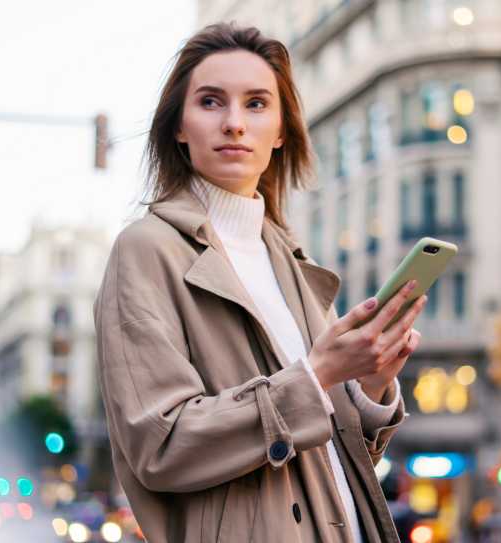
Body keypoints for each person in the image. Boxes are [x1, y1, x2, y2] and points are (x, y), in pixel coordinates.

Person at [93, 23, 427, 543]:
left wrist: (375, 378)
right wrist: (316, 375)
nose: (233, 123)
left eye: (255, 104)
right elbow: (159, 446)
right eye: (210, 102)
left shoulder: (290, 259)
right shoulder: (145, 249)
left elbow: (330, 455)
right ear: (178, 127)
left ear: (280, 132)